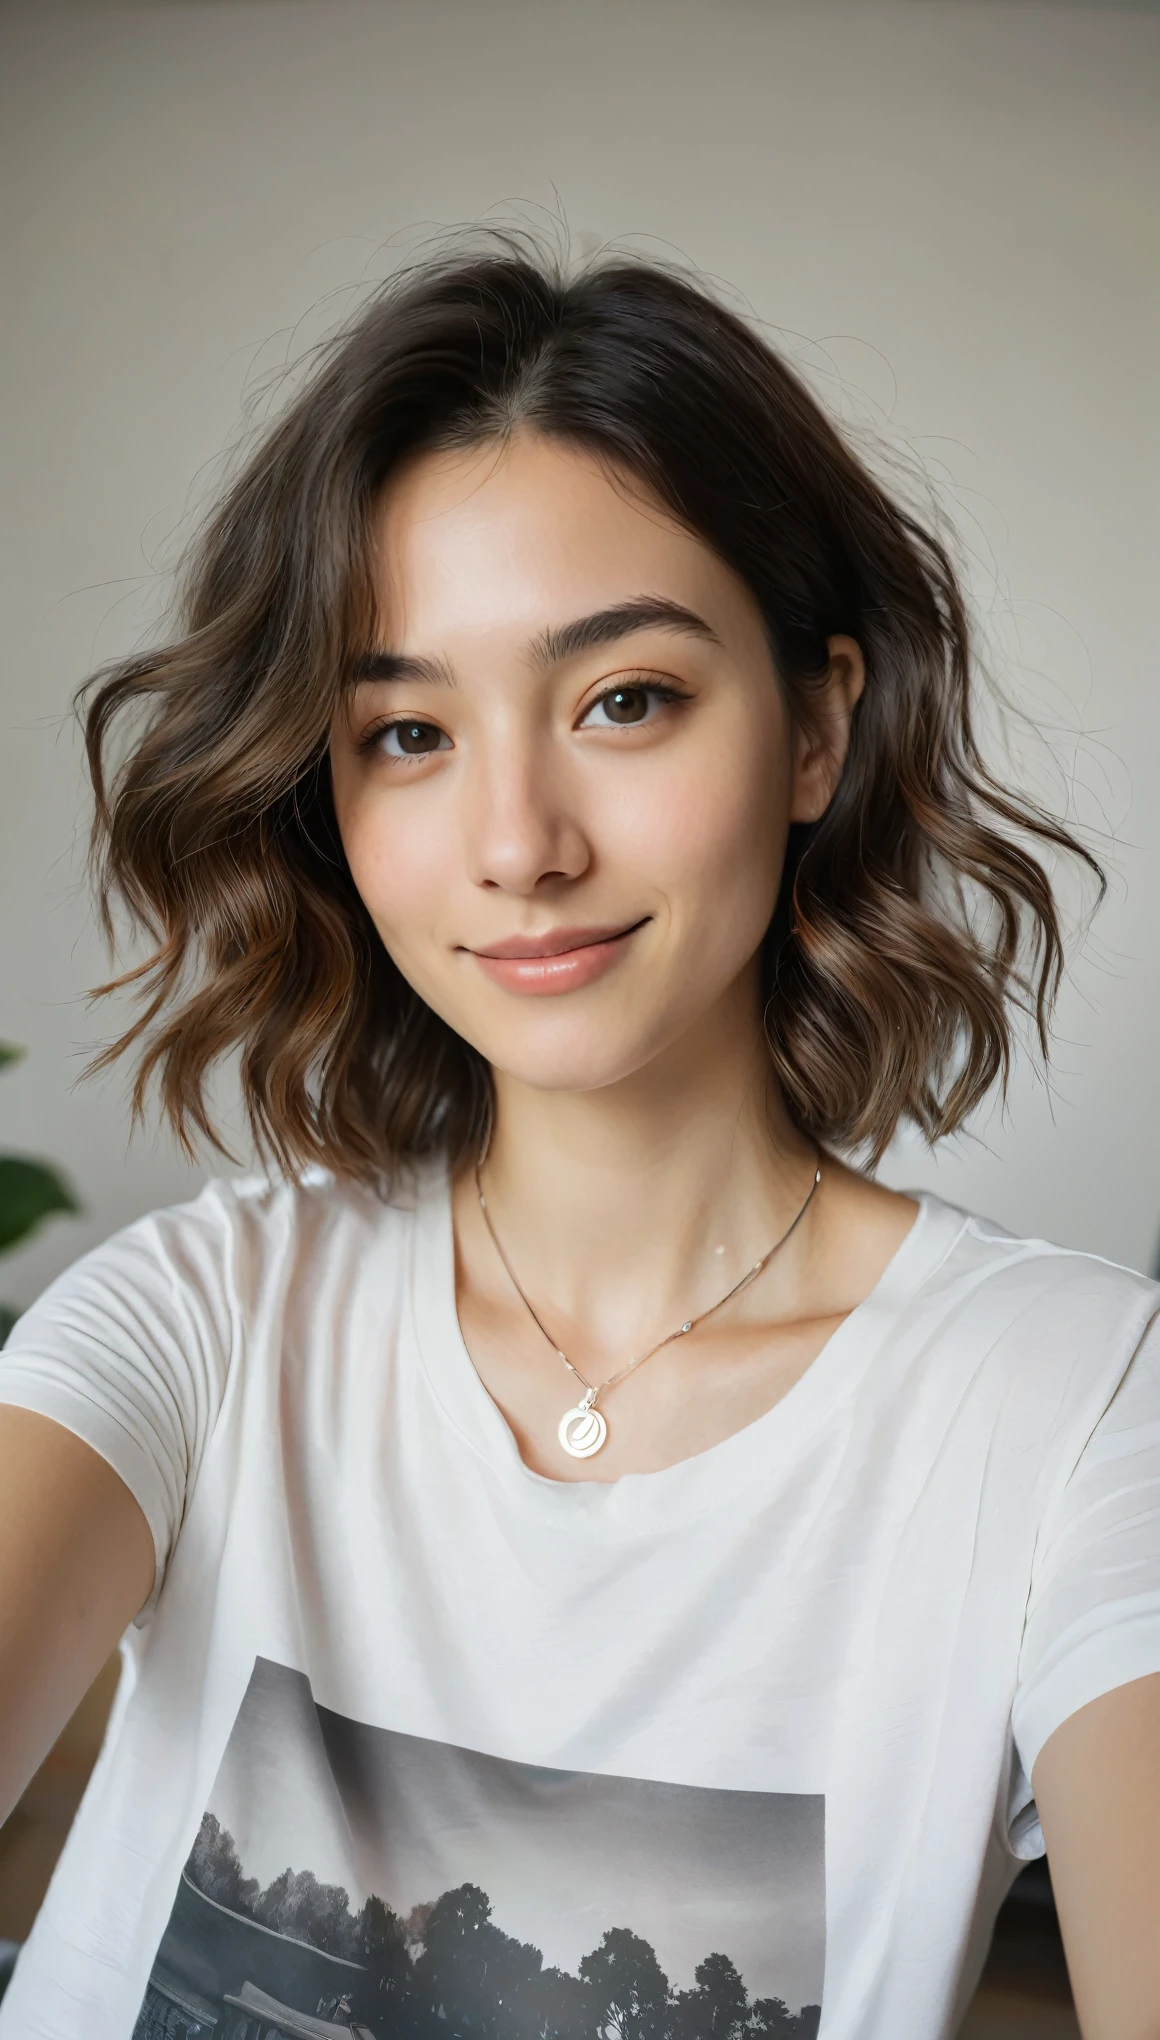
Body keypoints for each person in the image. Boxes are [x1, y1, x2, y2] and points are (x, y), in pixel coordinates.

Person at [0, 236, 1156, 2040]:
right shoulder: (203, 1320)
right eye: (407, 732)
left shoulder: (1074, 1405)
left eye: (625, 700)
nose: (519, 844)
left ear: (817, 727)